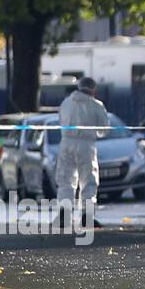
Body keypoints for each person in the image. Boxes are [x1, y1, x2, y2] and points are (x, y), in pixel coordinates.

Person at [56, 78, 109, 228]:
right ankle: (87, 217)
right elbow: (104, 129)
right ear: (93, 90)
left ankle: (64, 216)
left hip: (66, 143)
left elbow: (60, 120)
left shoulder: (66, 103)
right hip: (86, 144)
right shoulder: (96, 105)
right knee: (89, 181)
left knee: (65, 180)